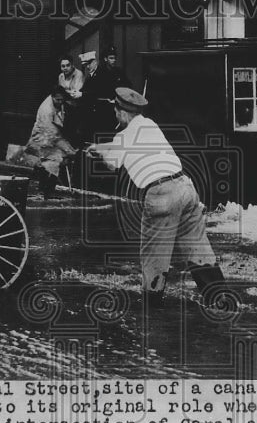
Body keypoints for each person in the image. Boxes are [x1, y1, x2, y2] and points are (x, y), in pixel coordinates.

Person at [85, 87, 225, 306]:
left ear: (121, 112)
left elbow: (112, 164)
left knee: (154, 257)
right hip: (186, 188)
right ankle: (221, 301)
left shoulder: (124, 134)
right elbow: (123, 146)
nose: (115, 115)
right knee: (199, 249)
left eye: (115, 111)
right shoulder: (150, 125)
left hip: (161, 195)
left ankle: (153, 312)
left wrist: (98, 151)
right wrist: (102, 146)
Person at [13, 87, 80, 198]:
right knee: (53, 160)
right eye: (57, 100)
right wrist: (67, 148)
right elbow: (51, 133)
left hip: (52, 135)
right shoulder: (46, 110)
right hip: (43, 136)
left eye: (61, 100)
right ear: (52, 97)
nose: (60, 102)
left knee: (49, 162)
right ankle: (46, 190)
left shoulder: (59, 101)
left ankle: (45, 188)